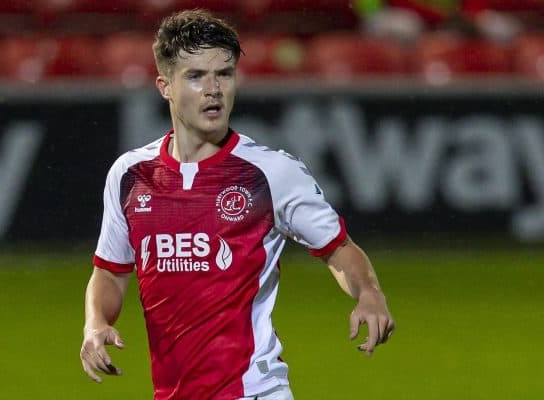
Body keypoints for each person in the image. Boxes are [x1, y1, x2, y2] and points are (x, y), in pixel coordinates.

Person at [79, 9, 395, 400]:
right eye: (195, 76)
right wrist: (95, 322)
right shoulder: (131, 174)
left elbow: (338, 248)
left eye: (224, 74)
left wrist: (369, 293)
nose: (214, 89)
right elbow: (110, 272)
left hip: (255, 389)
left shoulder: (271, 172)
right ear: (165, 86)